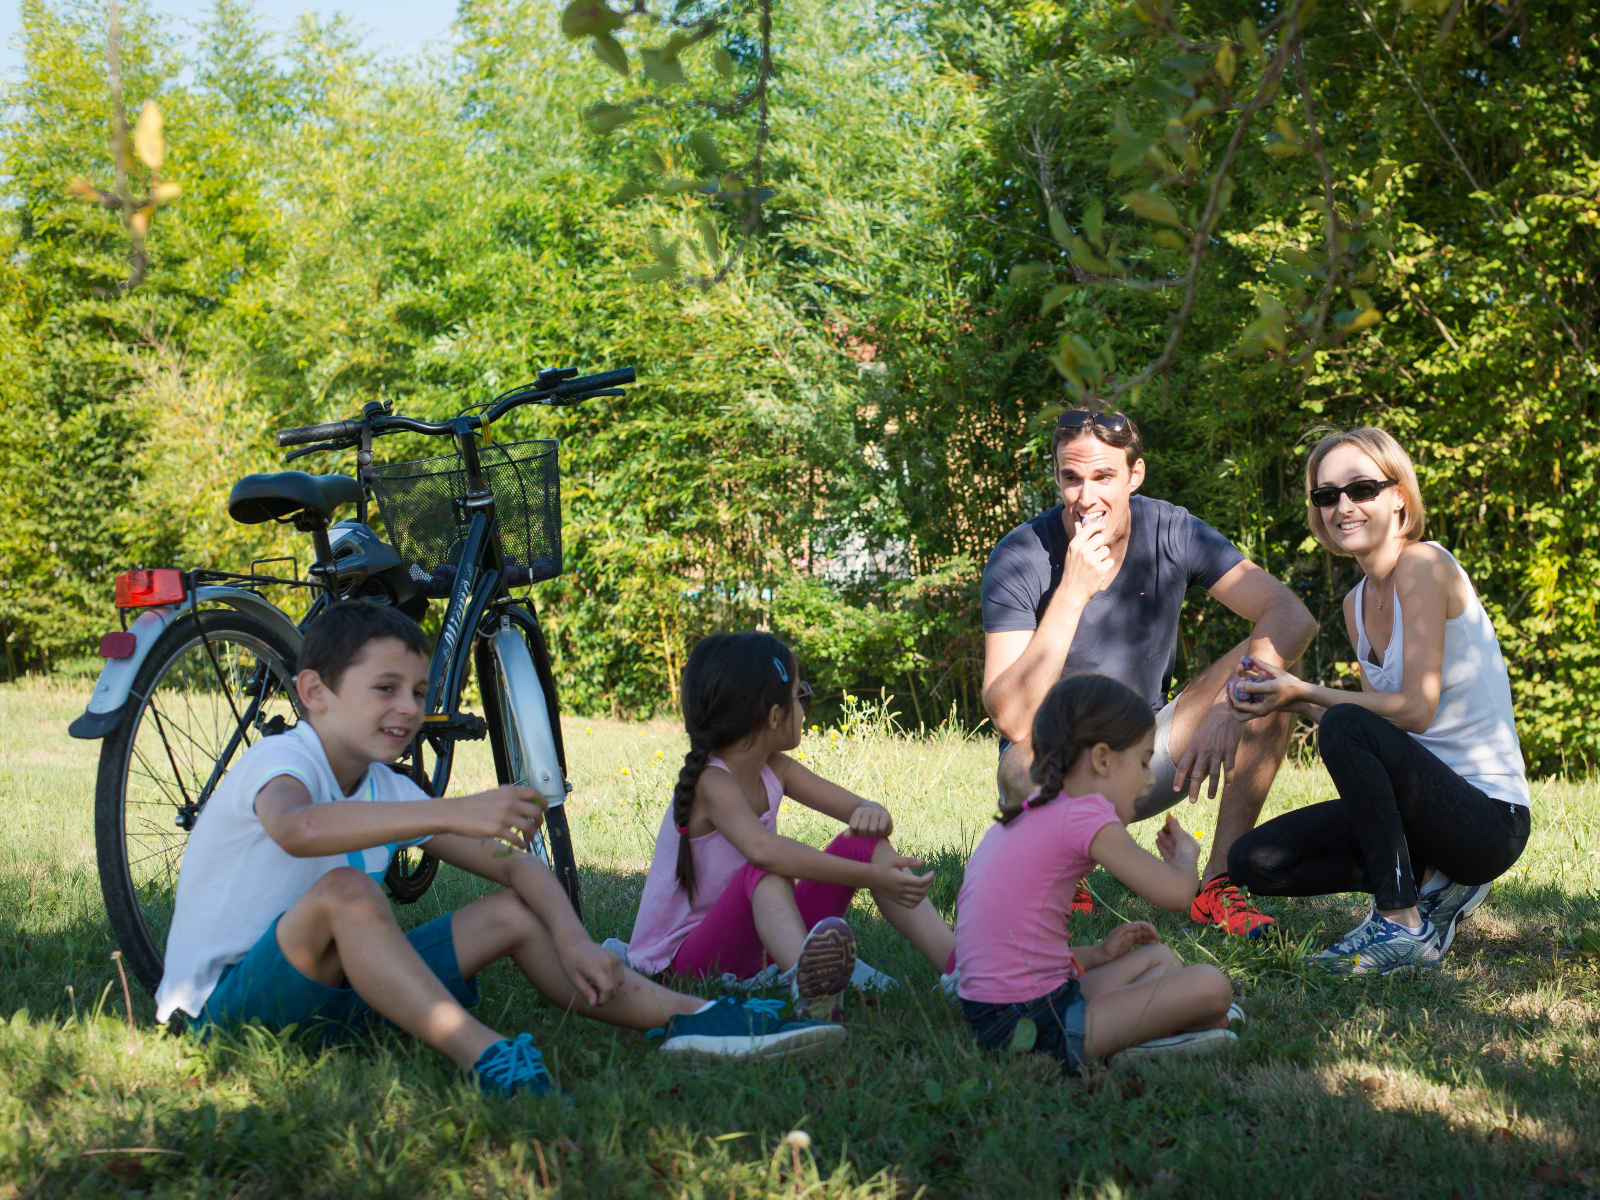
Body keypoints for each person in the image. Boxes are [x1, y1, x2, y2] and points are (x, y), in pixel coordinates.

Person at [154, 602, 842, 1098]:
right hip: (224, 1013)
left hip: (333, 1002)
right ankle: (486, 1057)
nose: (407, 708)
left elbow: (515, 865)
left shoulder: (387, 785)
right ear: (316, 694)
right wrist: (453, 809)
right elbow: (295, 830)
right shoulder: (283, 762)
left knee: (515, 911)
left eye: (419, 691)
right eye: (385, 689)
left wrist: (573, 938)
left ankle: (699, 1020)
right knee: (348, 893)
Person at [981, 405, 1319, 935]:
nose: (1085, 498)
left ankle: (1218, 887)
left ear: (1134, 475)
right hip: (1053, 765)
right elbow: (1013, 721)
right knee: (1017, 768)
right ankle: (1064, 872)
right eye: (1070, 478)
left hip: (1147, 756)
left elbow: (1292, 616)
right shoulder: (1021, 555)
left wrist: (1232, 707)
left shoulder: (1173, 529)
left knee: (1268, 684)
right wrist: (1071, 592)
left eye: (1103, 477)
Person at [1225, 427, 1531, 973]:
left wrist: (1305, 689)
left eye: (1361, 489)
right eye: (1326, 496)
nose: (1342, 506)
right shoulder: (1355, 602)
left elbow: (1415, 708)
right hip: (1422, 810)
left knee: (1340, 724)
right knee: (1253, 861)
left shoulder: (1425, 565)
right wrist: (1285, 699)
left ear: (1399, 496)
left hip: (1487, 820)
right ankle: (1431, 887)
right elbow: (1383, 729)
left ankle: (1401, 921)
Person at [626, 632, 957, 1017]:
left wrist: (873, 814)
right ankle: (811, 990)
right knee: (764, 871)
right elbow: (766, 852)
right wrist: (872, 875)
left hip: (754, 941)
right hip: (688, 963)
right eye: (801, 696)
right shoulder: (711, 783)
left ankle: (962, 971)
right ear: (774, 716)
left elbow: (858, 810)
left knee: (861, 844)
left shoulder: (776, 769)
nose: (804, 709)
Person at [955, 674, 1239, 1073]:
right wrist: (1185, 859)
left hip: (997, 1010)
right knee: (1212, 986)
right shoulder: (1085, 812)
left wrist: (1101, 955)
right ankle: (1143, 1041)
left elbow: (1010, 954)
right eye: (1142, 762)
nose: (1149, 779)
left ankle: (1157, 1027)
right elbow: (1176, 895)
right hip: (1029, 1025)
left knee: (1159, 959)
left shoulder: (1038, 808)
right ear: (1103, 759)